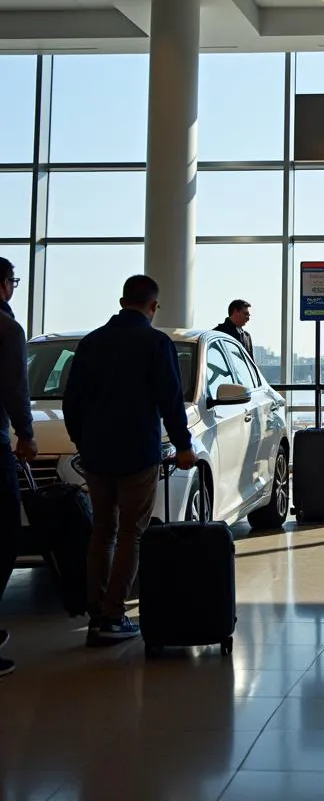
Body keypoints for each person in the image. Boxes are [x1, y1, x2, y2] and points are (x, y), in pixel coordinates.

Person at [63, 275, 197, 645]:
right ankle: (114, 615)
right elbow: (170, 400)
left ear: (122, 301)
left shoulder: (90, 343)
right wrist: (183, 445)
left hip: (95, 453)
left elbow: (71, 401)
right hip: (138, 451)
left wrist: (81, 440)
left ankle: (96, 613)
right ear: (153, 306)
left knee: (101, 530)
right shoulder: (156, 342)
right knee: (130, 534)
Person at [0, 258, 37, 678]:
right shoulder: (8, 329)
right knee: (5, 536)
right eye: (13, 281)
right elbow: (14, 387)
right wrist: (25, 434)